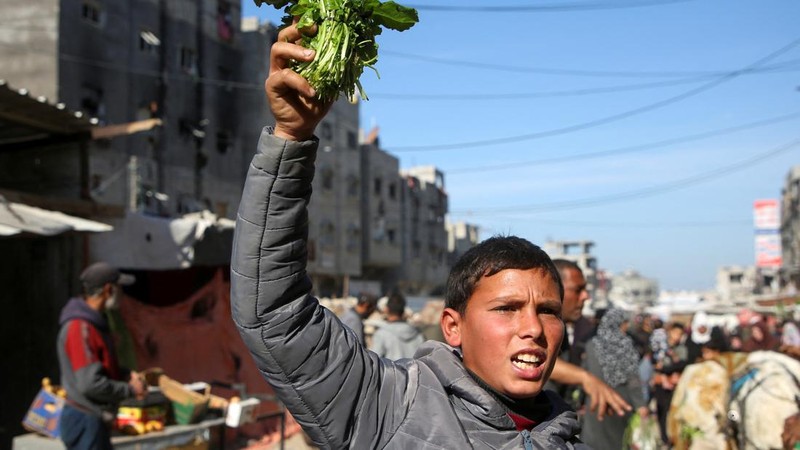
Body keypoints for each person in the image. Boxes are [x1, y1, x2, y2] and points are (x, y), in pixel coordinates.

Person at [230, 22, 588, 448]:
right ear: (452, 327)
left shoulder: (569, 440)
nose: (533, 328)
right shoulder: (389, 406)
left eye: (548, 310)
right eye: (507, 308)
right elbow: (273, 315)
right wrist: (290, 139)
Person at [57, 262, 146, 449]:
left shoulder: (94, 324)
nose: (122, 293)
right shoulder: (80, 328)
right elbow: (89, 384)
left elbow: (100, 367)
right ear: (108, 289)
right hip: (84, 420)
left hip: (93, 419)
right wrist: (129, 390)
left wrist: (125, 374)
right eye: (119, 287)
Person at [545, 259, 631, 421]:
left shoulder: (564, 329)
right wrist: (584, 378)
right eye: (578, 290)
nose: (585, 296)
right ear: (554, 289)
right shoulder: (534, 326)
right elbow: (540, 361)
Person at [580, 308, 648, 450]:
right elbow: (633, 379)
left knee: (593, 442)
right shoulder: (626, 345)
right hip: (620, 402)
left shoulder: (592, 345)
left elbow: (583, 375)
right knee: (618, 442)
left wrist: (580, 400)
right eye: (623, 324)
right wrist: (640, 404)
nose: (625, 327)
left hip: (595, 401)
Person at [369, 292, 425, 360]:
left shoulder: (382, 334)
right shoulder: (418, 333)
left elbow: (374, 361)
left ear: (387, 309)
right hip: (414, 370)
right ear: (403, 310)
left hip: (391, 370)